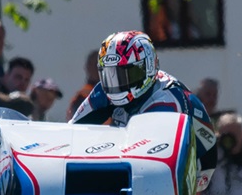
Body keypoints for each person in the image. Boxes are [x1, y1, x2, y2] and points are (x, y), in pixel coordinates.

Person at [69, 31, 217, 186]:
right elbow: (72, 132)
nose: (116, 83)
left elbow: (147, 166)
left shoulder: (165, 102)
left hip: (199, 166)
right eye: (110, 74)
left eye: (127, 73)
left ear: (148, 67)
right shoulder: (104, 91)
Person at [65, 49, 99, 121]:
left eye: (100, 65)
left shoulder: (113, 93)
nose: (97, 68)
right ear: (87, 67)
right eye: (95, 64)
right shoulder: (82, 97)